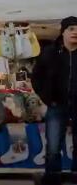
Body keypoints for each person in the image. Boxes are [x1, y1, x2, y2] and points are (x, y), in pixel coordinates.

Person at [33, 16, 77, 174]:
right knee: (53, 145)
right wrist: (48, 98)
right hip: (57, 104)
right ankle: (52, 181)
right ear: (63, 32)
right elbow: (37, 77)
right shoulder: (50, 52)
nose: (75, 32)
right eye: (71, 29)